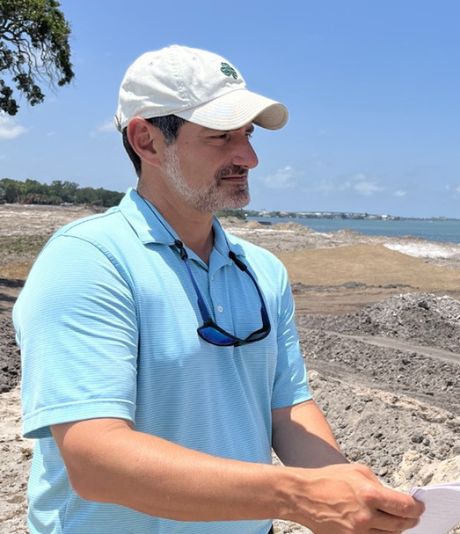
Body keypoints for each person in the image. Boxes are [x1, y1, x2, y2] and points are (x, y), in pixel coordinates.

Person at [13, 45, 423, 533]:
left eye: (247, 134)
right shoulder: (88, 260)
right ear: (146, 140)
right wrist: (297, 496)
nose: (249, 156)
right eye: (221, 136)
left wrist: (349, 492)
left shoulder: (262, 270)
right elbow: (95, 459)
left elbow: (287, 407)